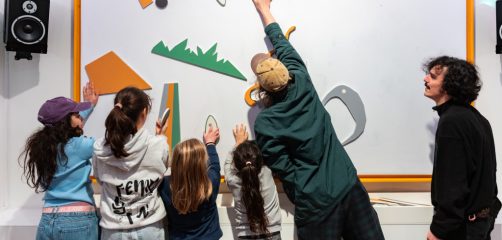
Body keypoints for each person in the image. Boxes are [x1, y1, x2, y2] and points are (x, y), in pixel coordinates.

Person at [250, 0, 384, 239]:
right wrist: (264, 9)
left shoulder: (265, 123)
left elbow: (283, 168)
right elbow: (280, 41)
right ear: (286, 70)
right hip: (348, 186)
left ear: (261, 87)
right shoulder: (301, 79)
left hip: (316, 203)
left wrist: (305, 191)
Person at [423, 56, 500, 240]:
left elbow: (454, 185)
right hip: (479, 222)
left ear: (450, 85)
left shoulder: (452, 122)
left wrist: (438, 231)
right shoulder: (476, 118)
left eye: (433, 77)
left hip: (462, 229)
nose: (425, 79)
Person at [20, 82, 99, 240]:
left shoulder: (42, 147)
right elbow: (113, 142)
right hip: (77, 222)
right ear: (65, 122)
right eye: (77, 115)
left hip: (48, 220)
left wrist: (89, 106)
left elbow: (70, 128)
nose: (80, 118)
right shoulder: (80, 146)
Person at [93, 86, 168, 239]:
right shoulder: (159, 146)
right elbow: (161, 172)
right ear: (144, 113)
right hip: (150, 227)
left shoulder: (100, 149)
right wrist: (158, 137)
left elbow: (100, 180)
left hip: (113, 229)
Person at [159, 127, 222, 240]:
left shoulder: (164, 186)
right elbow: (215, 165)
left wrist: (159, 139)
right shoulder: (211, 183)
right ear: (202, 163)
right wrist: (210, 143)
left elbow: (155, 166)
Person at [224, 124, 282, 239]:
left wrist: (239, 143)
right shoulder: (267, 172)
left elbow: (227, 164)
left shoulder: (233, 181)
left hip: (245, 235)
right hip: (272, 233)